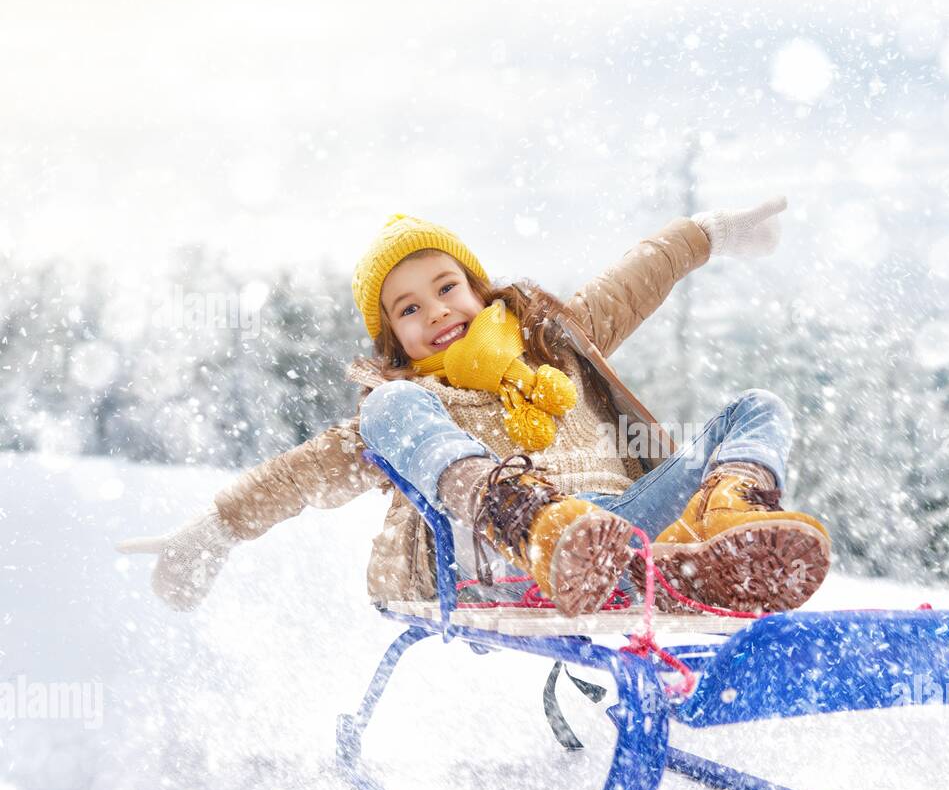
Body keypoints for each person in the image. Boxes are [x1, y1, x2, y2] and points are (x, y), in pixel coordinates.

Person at [117, 198, 831, 618]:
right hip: (488, 554)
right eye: (408, 308)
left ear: (479, 288)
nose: (436, 311)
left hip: (616, 533)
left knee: (755, 409)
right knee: (386, 410)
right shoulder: (413, 402)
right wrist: (212, 530)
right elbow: (300, 474)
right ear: (393, 335)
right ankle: (532, 519)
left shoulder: (557, 339)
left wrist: (711, 233)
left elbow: (635, 276)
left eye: (446, 286)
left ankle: (713, 539)